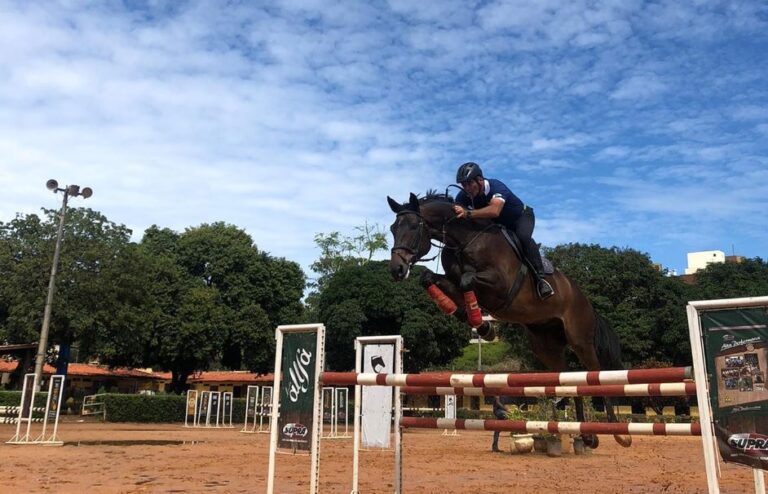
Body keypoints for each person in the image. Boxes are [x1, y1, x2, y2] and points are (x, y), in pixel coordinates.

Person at [453, 161, 554, 299]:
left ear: (480, 180)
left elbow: (495, 211)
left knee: (523, 236)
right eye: (464, 185)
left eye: (470, 184)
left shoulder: (496, 186)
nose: (467, 188)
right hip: (500, 225)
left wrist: (468, 213)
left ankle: (541, 278)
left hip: (521, 217)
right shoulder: (463, 196)